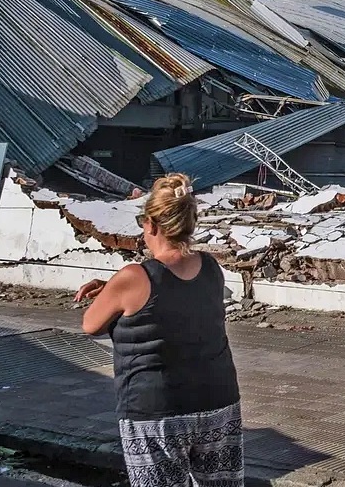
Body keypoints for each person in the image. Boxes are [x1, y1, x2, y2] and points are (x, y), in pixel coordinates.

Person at [75, 173, 243, 486]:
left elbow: (91, 324)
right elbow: (178, 303)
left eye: (143, 221)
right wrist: (115, 288)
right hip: (218, 401)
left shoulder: (133, 276)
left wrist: (112, 287)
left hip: (157, 410)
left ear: (152, 225)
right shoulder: (210, 267)